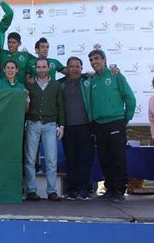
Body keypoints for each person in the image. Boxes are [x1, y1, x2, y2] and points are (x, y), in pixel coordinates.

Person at [89, 49, 136, 203]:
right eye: (91, 60)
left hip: (116, 121)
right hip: (99, 124)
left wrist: (125, 119)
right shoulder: (92, 81)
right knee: (104, 158)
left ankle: (120, 190)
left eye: (97, 58)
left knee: (118, 157)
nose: (94, 62)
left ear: (104, 59)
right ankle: (110, 188)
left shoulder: (116, 75)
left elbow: (129, 98)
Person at [24, 58, 65, 201]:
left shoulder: (55, 85)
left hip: (50, 124)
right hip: (32, 124)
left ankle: (52, 191)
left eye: (44, 67)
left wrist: (61, 125)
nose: (41, 69)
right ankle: (31, 191)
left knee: (51, 159)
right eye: (39, 67)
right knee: (30, 159)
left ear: (49, 68)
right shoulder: (29, 84)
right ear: (35, 68)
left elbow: (60, 106)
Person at [59, 57, 94, 200]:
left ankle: (84, 189)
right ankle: (72, 190)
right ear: (67, 69)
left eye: (77, 66)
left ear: (81, 68)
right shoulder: (60, 84)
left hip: (86, 126)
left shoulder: (88, 81)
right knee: (71, 159)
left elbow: (101, 74)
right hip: (68, 128)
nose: (74, 69)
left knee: (85, 159)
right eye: (71, 66)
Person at [0, 13, 35, 84]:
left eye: (14, 42)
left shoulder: (25, 55)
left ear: (19, 43)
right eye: (9, 42)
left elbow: (39, 64)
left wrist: (32, 75)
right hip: (3, 88)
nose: (11, 45)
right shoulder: (2, 53)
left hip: (19, 89)